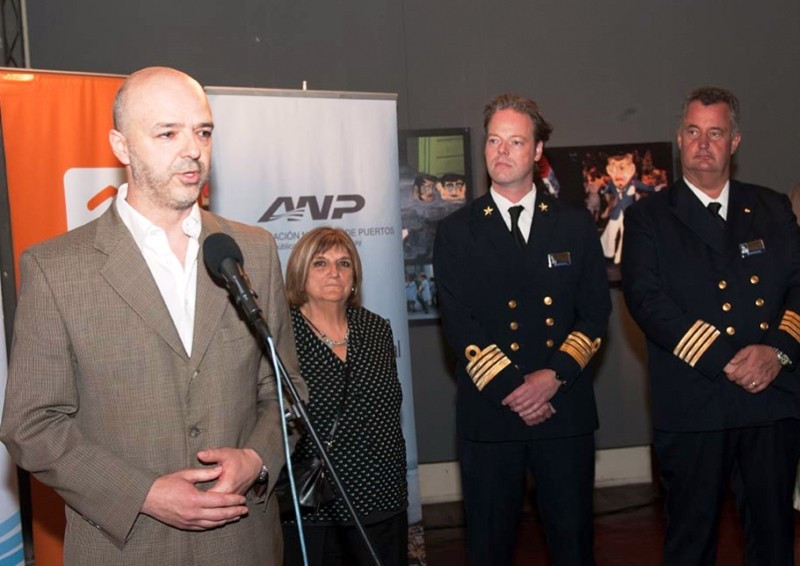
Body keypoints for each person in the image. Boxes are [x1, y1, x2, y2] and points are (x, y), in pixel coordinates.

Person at [0, 67, 306, 565]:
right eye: (167, 133)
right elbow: (31, 424)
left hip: (242, 542)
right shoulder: (56, 268)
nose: (193, 150)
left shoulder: (251, 249)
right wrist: (142, 493)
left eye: (203, 132)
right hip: (125, 547)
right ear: (121, 146)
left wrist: (255, 459)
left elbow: (285, 389)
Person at [621, 86, 800, 565]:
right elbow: (647, 300)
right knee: (691, 542)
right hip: (694, 403)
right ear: (679, 139)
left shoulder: (773, 209)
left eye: (715, 133)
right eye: (694, 132)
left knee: (775, 539)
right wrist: (725, 358)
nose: (704, 143)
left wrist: (777, 351)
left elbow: (798, 288)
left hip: (771, 401)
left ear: (735, 142)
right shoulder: (646, 218)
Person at [433, 93, 611, 565]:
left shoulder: (574, 225)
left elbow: (595, 315)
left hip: (564, 409)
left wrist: (552, 378)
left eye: (515, 141)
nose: (502, 151)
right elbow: (459, 323)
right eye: (494, 140)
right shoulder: (456, 232)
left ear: (537, 152)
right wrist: (516, 389)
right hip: (491, 414)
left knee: (573, 546)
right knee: (488, 548)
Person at [282, 227, 408, 566]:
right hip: (318, 506)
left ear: (355, 277)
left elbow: (388, 411)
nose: (334, 272)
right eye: (320, 263)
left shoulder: (376, 329)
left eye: (344, 263)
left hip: (382, 496)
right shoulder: (283, 337)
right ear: (300, 274)